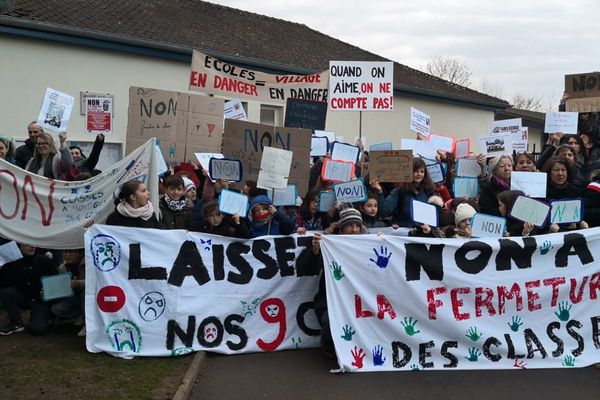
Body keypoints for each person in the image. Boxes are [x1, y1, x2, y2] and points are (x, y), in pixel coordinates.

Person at [296, 203, 367, 356]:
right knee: (330, 323)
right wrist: (315, 251)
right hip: (330, 302)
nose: (354, 230)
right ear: (341, 229)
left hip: (361, 302)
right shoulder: (328, 245)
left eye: (357, 226)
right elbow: (306, 270)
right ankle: (330, 347)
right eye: (350, 226)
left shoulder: (367, 246)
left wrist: (382, 243)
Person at [0, 244, 57, 336]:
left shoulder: (44, 261)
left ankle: (49, 316)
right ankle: (16, 322)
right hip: (23, 297)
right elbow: (4, 283)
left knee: (37, 329)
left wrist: (48, 292)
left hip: (40, 300)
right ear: (19, 245)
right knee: (6, 292)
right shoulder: (12, 262)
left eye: (33, 244)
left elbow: (55, 281)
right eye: (27, 244)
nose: (32, 247)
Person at [381, 158, 437, 227]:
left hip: (422, 234)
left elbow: (435, 215)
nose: (419, 174)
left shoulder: (429, 191)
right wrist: (379, 191)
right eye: (416, 171)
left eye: (422, 171)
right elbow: (384, 211)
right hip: (403, 233)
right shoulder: (399, 191)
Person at [50, 248, 86, 336]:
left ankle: (87, 324)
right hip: (73, 297)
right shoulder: (62, 268)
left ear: (80, 254)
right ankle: (78, 316)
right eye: (65, 252)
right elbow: (61, 287)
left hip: (89, 296)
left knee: (85, 293)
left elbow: (94, 281)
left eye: (71, 252)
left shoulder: (88, 264)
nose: (67, 255)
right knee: (56, 308)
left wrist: (79, 283)